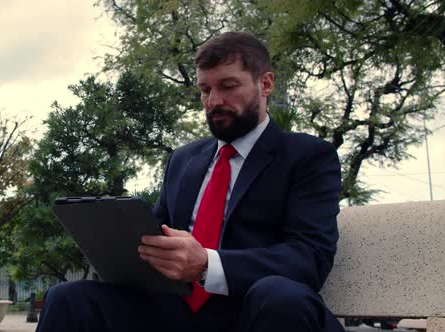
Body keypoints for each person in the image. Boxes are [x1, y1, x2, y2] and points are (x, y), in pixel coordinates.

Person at [36, 31, 344, 332]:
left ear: (265, 84)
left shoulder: (308, 156)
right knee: (69, 298)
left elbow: (309, 259)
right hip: (177, 310)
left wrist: (208, 265)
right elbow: (156, 238)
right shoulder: (183, 160)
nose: (214, 101)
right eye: (205, 89)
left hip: (254, 309)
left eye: (228, 85)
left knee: (280, 297)